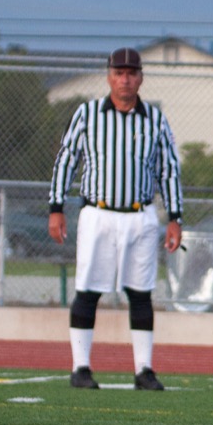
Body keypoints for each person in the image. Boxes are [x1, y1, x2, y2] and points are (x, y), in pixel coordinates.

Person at [48, 46, 184, 391]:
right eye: (119, 73)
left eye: (131, 73)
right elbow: (66, 160)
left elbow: (168, 170)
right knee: (88, 290)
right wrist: (56, 207)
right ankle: (80, 367)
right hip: (99, 213)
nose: (125, 80)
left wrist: (175, 217)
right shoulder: (88, 113)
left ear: (140, 77)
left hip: (140, 214)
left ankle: (144, 369)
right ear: (109, 76)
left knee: (140, 293)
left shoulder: (154, 119)